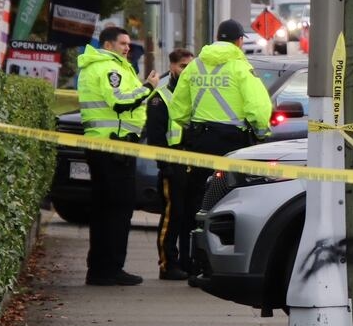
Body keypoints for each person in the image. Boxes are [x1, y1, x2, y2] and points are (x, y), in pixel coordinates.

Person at [169, 20, 274, 277]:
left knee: (196, 203)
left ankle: (191, 263)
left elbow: (178, 110)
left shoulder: (195, 66)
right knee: (231, 202)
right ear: (239, 41)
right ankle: (220, 265)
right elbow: (258, 108)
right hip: (232, 144)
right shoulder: (241, 67)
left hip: (200, 141)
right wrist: (261, 134)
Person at [77, 26, 160, 286]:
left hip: (106, 147)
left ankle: (101, 268)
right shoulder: (109, 68)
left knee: (104, 210)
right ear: (108, 44)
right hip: (114, 148)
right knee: (118, 209)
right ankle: (111, 268)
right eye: (123, 43)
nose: (127, 48)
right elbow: (120, 102)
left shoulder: (102, 66)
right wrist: (148, 87)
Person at [147, 48, 195, 281]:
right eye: (182, 66)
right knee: (172, 215)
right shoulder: (160, 97)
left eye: (190, 66)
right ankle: (167, 264)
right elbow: (156, 137)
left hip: (192, 161)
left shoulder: (195, 93)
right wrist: (164, 165)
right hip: (172, 162)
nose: (187, 71)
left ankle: (187, 262)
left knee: (189, 216)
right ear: (172, 67)